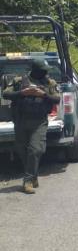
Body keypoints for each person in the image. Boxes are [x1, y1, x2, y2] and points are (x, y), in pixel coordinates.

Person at [1, 59, 60, 194]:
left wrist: (43, 94)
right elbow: (6, 93)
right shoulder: (19, 80)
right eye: (43, 70)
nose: (46, 73)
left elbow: (57, 99)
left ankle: (27, 181)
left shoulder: (49, 82)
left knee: (35, 149)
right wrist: (23, 93)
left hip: (39, 121)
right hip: (21, 120)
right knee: (22, 150)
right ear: (36, 70)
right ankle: (33, 176)